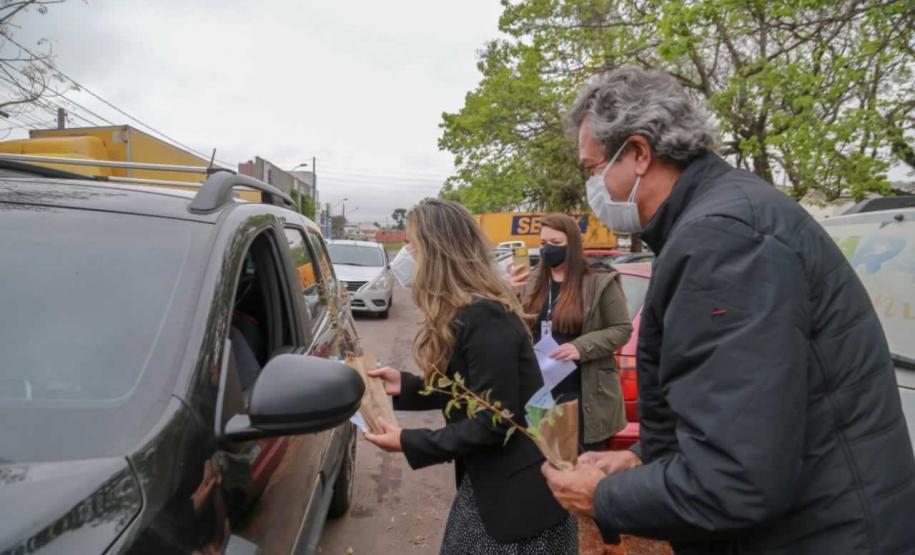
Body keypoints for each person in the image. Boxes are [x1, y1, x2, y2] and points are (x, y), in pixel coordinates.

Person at [541, 66, 915, 554]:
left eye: (594, 169)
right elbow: (732, 416)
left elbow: (737, 479)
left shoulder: (724, 241)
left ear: (637, 153)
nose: (595, 189)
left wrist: (606, 497)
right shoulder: (725, 217)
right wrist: (641, 458)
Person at [364, 199, 578, 554]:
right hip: (493, 488)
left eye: (412, 244)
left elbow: (493, 421)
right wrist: (407, 385)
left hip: (518, 503)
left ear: (436, 252)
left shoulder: (484, 317)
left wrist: (409, 440)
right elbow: (473, 389)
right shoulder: (470, 311)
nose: (406, 253)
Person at [510, 213, 632, 452]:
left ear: (573, 244)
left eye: (555, 244)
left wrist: (580, 347)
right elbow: (512, 328)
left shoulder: (598, 281)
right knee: (540, 470)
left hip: (583, 396)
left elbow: (621, 329)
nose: (547, 250)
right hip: (539, 393)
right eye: (543, 244)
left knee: (579, 474)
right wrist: (509, 292)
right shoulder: (532, 280)